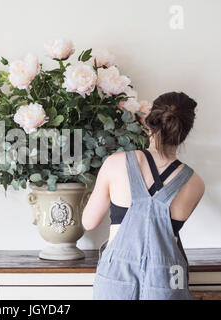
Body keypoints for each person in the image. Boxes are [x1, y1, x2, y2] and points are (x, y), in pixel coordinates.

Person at [82, 91, 205, 300]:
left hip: (117, 275)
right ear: (185, 131)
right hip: (168, 280)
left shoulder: (115, 163)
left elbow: (88, 222)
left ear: (149, 122)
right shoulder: (195, 183)